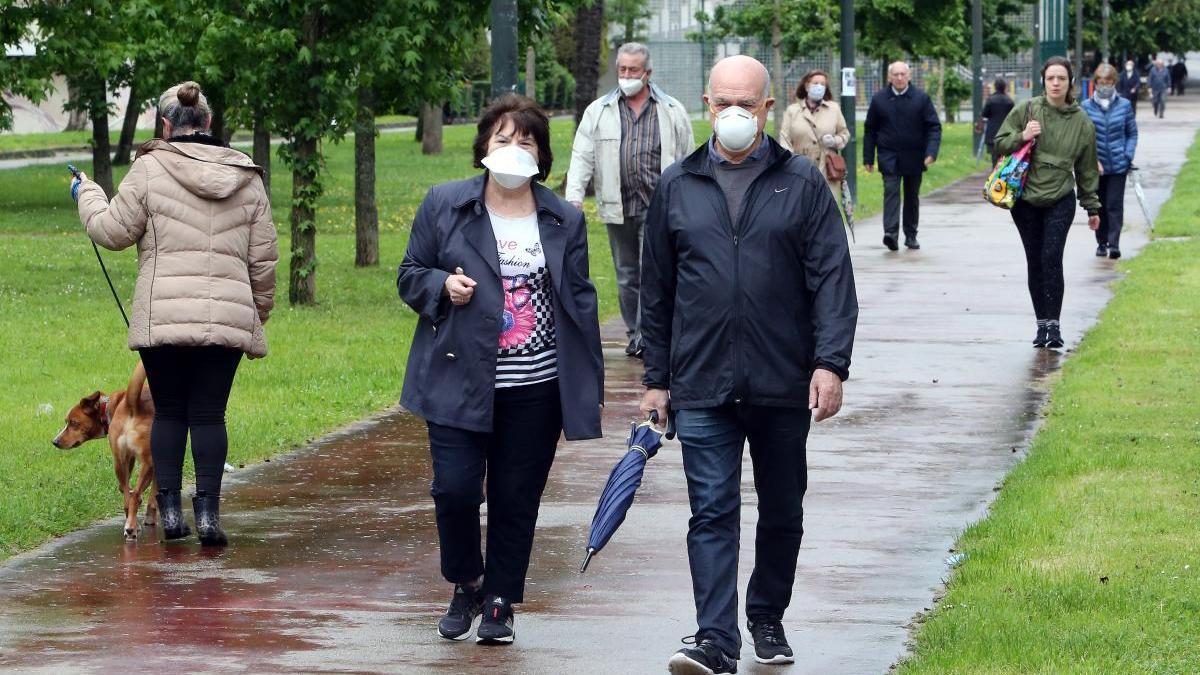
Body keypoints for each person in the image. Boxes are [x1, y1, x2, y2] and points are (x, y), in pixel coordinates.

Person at [639, 55, 858, 674]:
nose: (733, 114)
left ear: (767, 108)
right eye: (722, 102)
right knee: (711, 510)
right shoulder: (678, 184)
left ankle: (765, 613)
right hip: (702, 381)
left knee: (783, 508)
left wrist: (830, 363)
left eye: (747, 103)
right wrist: (656, 378)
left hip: (782, 380)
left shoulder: (802, 183)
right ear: (707, 105)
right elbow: (655, 292)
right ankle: (715, 638)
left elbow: (832, 281)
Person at [398, 95, 604, 646]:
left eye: (527, 140)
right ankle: (466, 579)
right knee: (456, 490)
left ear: (542, 154)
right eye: (503, 139)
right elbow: (409, 272)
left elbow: (579, 302)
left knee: (517, 497)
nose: (514, 150)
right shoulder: (444, 204)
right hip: (457, 379)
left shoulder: (563, 218)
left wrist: (586, 383)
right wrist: (440, 285)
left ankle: (499, 601)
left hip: (534, 388)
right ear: (484, 148)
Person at [71, 81, 277, 547]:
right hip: (226, 321)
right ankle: (207, 517)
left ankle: (169, 514)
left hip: (161, 321)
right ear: (208, 123)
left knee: (168, 415)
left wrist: (87, 193)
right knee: (208, 415)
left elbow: (111, 231)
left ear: (166, 126)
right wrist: (256, 313)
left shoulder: (148, 169)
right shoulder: (247, 175)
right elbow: (263, 258)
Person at [566, 42, 695, 359]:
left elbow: (689, 158)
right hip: (618, 205)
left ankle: (648, 335)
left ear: (647, 73)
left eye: (633, 70)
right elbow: (582, 156)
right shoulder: (599, 111)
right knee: (626, 275)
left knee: (654, 272)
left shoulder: (672, 110)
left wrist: (692, 200)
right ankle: (634, 332)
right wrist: (574, 198)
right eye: (622, 69)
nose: (625, 75)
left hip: (659, 206)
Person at [994, 56, 1101, 350]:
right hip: (1025, 198)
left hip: (1060, 197)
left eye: (1061, 79)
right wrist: (1024, 135)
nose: (1055, 83)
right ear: (1043, 81)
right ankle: (1041, 324)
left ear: (1070, 83)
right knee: (1035, 259)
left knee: (1051, 256)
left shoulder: (1082, 122)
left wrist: (1092, 207)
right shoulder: (1026, 110)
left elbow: (1087, 169)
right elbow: (999, 142)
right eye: (1051, 78)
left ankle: (1054, 325)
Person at [863, 61, 942, 251]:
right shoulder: (879, 99)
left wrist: (931, 152)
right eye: (895, 74)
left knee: (911, 196)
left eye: (902, 74)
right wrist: (868, 158)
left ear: (909, 76)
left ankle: (911, 234)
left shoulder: (921, 98)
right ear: (889, 77)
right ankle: (890, 233)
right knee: (891, 192)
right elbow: (870, 129)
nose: (899, 78)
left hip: (915, 156)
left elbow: (934, 127)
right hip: (888, 155)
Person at [1083, 63, 1138, 260]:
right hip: (1095, 167)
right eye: (1100, 82)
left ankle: (1114, 244)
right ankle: (1101, 242)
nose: (1104, 86)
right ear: (1095, 83)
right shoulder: (1086, 107)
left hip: (1118, 165)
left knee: (1115, 205)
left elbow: (1132, 133)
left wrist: (1127, 155)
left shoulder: (1124, 105)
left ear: (1114, 82)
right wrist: (1092, 160)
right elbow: (1083, 138)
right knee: (1099, 205)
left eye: (1108, 82)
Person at [778, 69, 851, 200]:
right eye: (816, 83)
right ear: (806, 86)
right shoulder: (792, 110)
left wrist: (834, 141)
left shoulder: (833, 109)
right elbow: (784, 138)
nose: (819, 87)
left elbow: (844, 134)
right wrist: (790, 160)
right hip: (800, 169)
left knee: (826, 211)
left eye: (823, 84)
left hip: (827, 169)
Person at [980, 78, 1015, 165]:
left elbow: (984, 114)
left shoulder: (990, 100)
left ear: (995, 87)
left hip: (992, 133)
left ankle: (994, 176)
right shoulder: (1010, 101)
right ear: (1004, 87)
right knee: (1005, 157)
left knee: (994, 157)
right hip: (1006, 132)